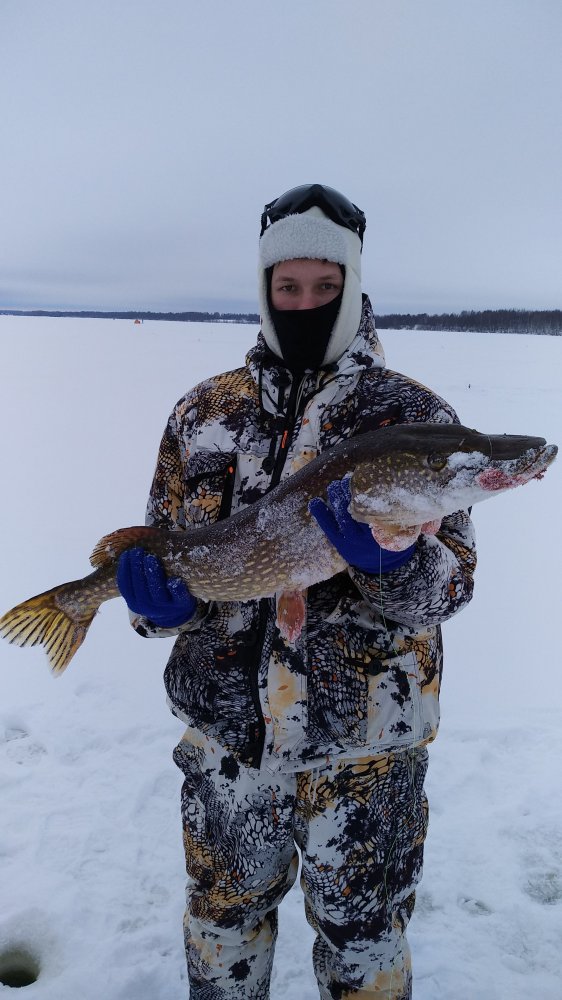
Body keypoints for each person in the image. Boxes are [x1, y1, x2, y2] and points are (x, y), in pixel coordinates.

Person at [116, 184, 476, 1000]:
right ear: (264, 288)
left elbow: (452, 584)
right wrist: (156, 606)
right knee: (222, 926)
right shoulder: (203, 413)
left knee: (364, 943)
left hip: (366, 754)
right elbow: (162, 548)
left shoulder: (412, 415)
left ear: (353, 285)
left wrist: (396, 566)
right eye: (288, 286)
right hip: (227, 748)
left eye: (325, 285)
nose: (305, 302)